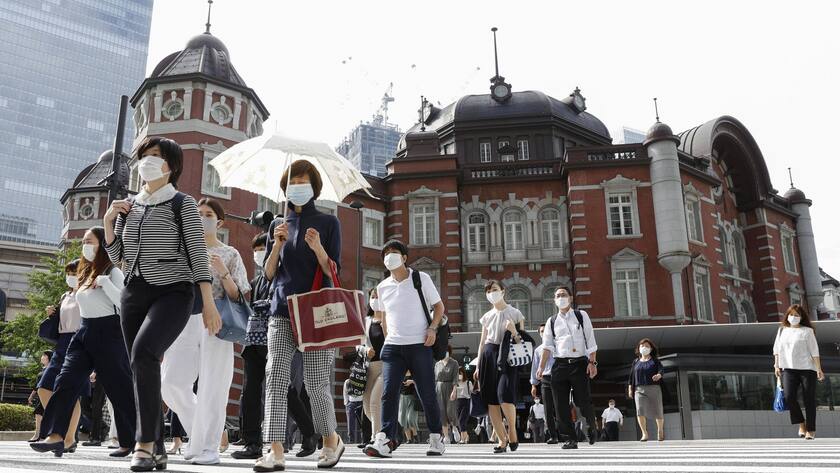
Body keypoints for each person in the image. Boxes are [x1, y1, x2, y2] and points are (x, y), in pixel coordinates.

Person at [104, 136, 220, 472]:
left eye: (156, 155)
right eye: (144, 155)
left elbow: (197, 254)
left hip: (174, 292)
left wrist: (208, 303)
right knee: (140, 366)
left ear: (172, 165)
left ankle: (143, 444)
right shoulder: (129, 206)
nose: (148, 161)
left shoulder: (182, 203)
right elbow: (119, 257)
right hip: (133, 293)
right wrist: (109, 223)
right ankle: (156, 446)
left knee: (145, 352)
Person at [256, 160, 344, 471]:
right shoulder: (278, 225)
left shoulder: (329, 223)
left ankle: (331, 440)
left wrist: (318, 248)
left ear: (314, 187)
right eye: (293, 182)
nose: (297, 187)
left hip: (317, 312)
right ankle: (275, 449)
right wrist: (276, 246)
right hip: (282, 310)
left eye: (303, 181)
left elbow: (333, 272)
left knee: (315, 382)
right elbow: (268, 275)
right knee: (275, 377)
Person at [32, 226, 136, 458]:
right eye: (84, 242)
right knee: (65, 381)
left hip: (109, 332)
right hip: (83, 332)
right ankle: (56, 435)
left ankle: (133, 440)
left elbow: (124, 303)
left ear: (102, 245)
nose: (85, 246)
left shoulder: (112, 271)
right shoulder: (85, 272)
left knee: (119, 388)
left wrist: (105, 283)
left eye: (89, 241)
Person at [160, 197, 250, 465]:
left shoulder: (230, 253)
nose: (202, 217)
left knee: (214, 385)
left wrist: (223, 272)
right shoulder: (183, 248)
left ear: (219, 222)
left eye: (208, 214)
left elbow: (238, 295)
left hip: (217, 319)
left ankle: (208, 447)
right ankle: (201, 437)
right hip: (184, 318)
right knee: (170, 383)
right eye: (198, 213)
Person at [363, 240, 446, 459]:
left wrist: (432, 328)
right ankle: (384, 438)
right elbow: (383, 318)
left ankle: (436, 437)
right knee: (388, 393)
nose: (389, 256)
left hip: (420, 345)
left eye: (394, 252)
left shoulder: (421, 278)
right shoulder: (382, 287)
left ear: (404, 257)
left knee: (426, 393)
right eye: (386, 253)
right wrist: (387, 339)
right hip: (393, 347)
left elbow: (439, 307)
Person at [536, 286, 598, 450]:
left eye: (563, 294)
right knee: (560, 405)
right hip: (560, 365)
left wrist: (592, 362)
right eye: (557, 296)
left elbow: (590, 340)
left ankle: (591, 424)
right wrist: (541, 367)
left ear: (570, 298)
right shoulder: (551, 321)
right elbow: (547, 346)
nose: (560, 297)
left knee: (582, 401)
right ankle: (570, 438)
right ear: (554, 300)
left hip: (579, 363)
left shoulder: (581, 315)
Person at [36, 259, 85, 451]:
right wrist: (52, 313)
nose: (71, 277)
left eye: (75, 273)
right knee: (44, 387)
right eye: (69, 274)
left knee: (73, 392)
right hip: (62, 343)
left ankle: (69, 439)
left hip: (79, 341)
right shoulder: (65, 295)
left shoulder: (88, 293)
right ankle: (59, 427)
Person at [232, 233, 272, 460]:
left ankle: (309, 432)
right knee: (250, 392)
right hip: (254, 341)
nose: (258, 253)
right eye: (255, 250)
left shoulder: (282, 277)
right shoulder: (255, 283)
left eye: (262, 248)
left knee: (284, 390)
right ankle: (252, 443)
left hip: (275, 340)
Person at [474, 280, 524, 454]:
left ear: (503, 291)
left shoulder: (515, 313)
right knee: (491, 400)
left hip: (508, 356)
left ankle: (512, 430)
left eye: (494, 289)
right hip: (488, 356)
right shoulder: (487, 316)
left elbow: (522, 342)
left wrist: (513, 331)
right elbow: (482, 343)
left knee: (504, 394)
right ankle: (502, 440)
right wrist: (478, 366)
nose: (491, 293)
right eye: (488, 291)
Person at [773, 304, 824, 439]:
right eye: (791, 314)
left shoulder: (807, 331)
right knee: (789, 396)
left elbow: (814, 351)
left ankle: (811, 430)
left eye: (796, 315)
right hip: (788, 368)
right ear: (787, 316)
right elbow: (776, 349)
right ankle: (802, 424)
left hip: (807, 369)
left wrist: (819, 369)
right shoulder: (782, 330)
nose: (793, 317)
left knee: (809, 399)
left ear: (801, 317)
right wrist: (776, 366)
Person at [358, 288, 386, 446]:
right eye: (373, 297)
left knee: (375, 401)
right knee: (367, 404)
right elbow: (358, 344)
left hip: (387, 366)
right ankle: (386, 432)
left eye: (378, 297)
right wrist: (365, 349)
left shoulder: (389, 319)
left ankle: (376, 439)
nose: (375, 299)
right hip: (370, 367)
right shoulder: (366, 321)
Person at [628, 338, 665, 442]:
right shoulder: (635, 362)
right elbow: (631, 376)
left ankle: (660, 430)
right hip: (639, 389)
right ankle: (644, 433)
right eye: (642, 346)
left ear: (651, 349)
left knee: (658, 410)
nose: (644, 347)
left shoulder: (655, 360)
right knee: (640, 410)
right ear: (639, 348)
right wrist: (630, 388)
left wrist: (659, 375)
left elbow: (661, 370)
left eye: (647, 346)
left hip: (654, 388)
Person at [530, 324, 558, 444]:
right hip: (545, 379)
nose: (544, 332)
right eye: (542, 331)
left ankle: (566, 434)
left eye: (545, 330)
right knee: (547, 408)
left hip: (558, 378)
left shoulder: (558, 346)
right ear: (540, 334)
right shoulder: (538, 350)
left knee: (560, 407)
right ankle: (553, 436)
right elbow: (535, 367)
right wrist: (533, 385)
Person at [435, 346, 460, 442]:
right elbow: (435, 378)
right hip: (439, 388)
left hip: (450, 387)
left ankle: (454, 427)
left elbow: (455, 378)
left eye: (446, 351)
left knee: (450, 410)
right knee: (441, 412)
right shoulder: (437, 364)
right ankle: (446, 436)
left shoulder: (454, 363)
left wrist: (454, 390)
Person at [28, 351, 53, 442]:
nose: (42, 357)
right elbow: (37, 385)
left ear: (49, 358)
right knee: (39, 414)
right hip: (40, 395)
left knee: (40, 413)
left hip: (48, 395)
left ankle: (40, 435)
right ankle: (40, 435)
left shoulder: (51, 369)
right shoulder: (43, 369)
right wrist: (31, 396)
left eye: (44, 355)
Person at [450, 367, 472, 444]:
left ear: (463, 373)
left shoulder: (468, 382)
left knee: (462, 420)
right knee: (460, 421)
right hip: (458, 402)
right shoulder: (456, 384)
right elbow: (453, 394)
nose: (459, 375)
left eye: (460, 373)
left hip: (466, 401)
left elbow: (472, 392)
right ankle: (466, 436)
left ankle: (463, 439)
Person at [398, 373, 419, 444]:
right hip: (402, 397)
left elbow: (421, 381)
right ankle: (409, 439)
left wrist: (412, 381)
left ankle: (416, 437)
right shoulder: (400, 372)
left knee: (410, 418)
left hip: (413, 398)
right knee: (403, 419)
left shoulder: (414, 372)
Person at [343, 378, 364, 445]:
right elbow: (345, 392)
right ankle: (351, 440)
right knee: (350, 422)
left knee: (362, 422)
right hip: (351, 403)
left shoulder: (362, 380)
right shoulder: (348, 381)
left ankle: (364, 439)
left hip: (361, 402)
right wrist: (346, 403)